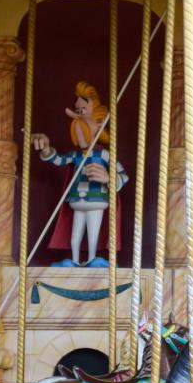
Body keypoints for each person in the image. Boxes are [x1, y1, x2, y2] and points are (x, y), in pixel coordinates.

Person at [32, 81, 128, 268]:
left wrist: (109, 178)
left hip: (96, 198)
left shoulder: (104, 154)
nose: (79, 126)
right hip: (77, 199)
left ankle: (92, 258)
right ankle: (74, 260)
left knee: (93, 233)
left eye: (83, 118)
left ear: (99, 125)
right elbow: (58, 160)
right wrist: (45, 149)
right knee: (75, 235)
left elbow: (124, 175)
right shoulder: (75, 155)